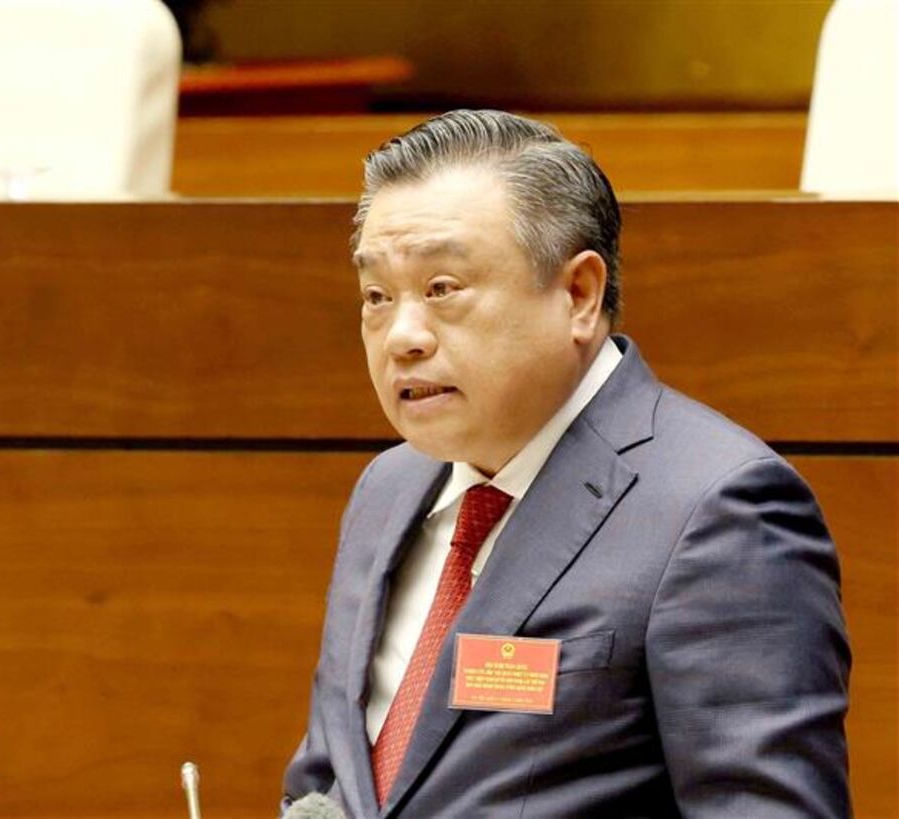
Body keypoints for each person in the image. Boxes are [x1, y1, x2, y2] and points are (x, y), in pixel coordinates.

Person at [282, 110, 850, 818]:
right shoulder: (388, 488)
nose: (402, 336)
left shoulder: (717, 510)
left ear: (579, 294)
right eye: (377, 296)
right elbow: (326, 783)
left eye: (441, 289)